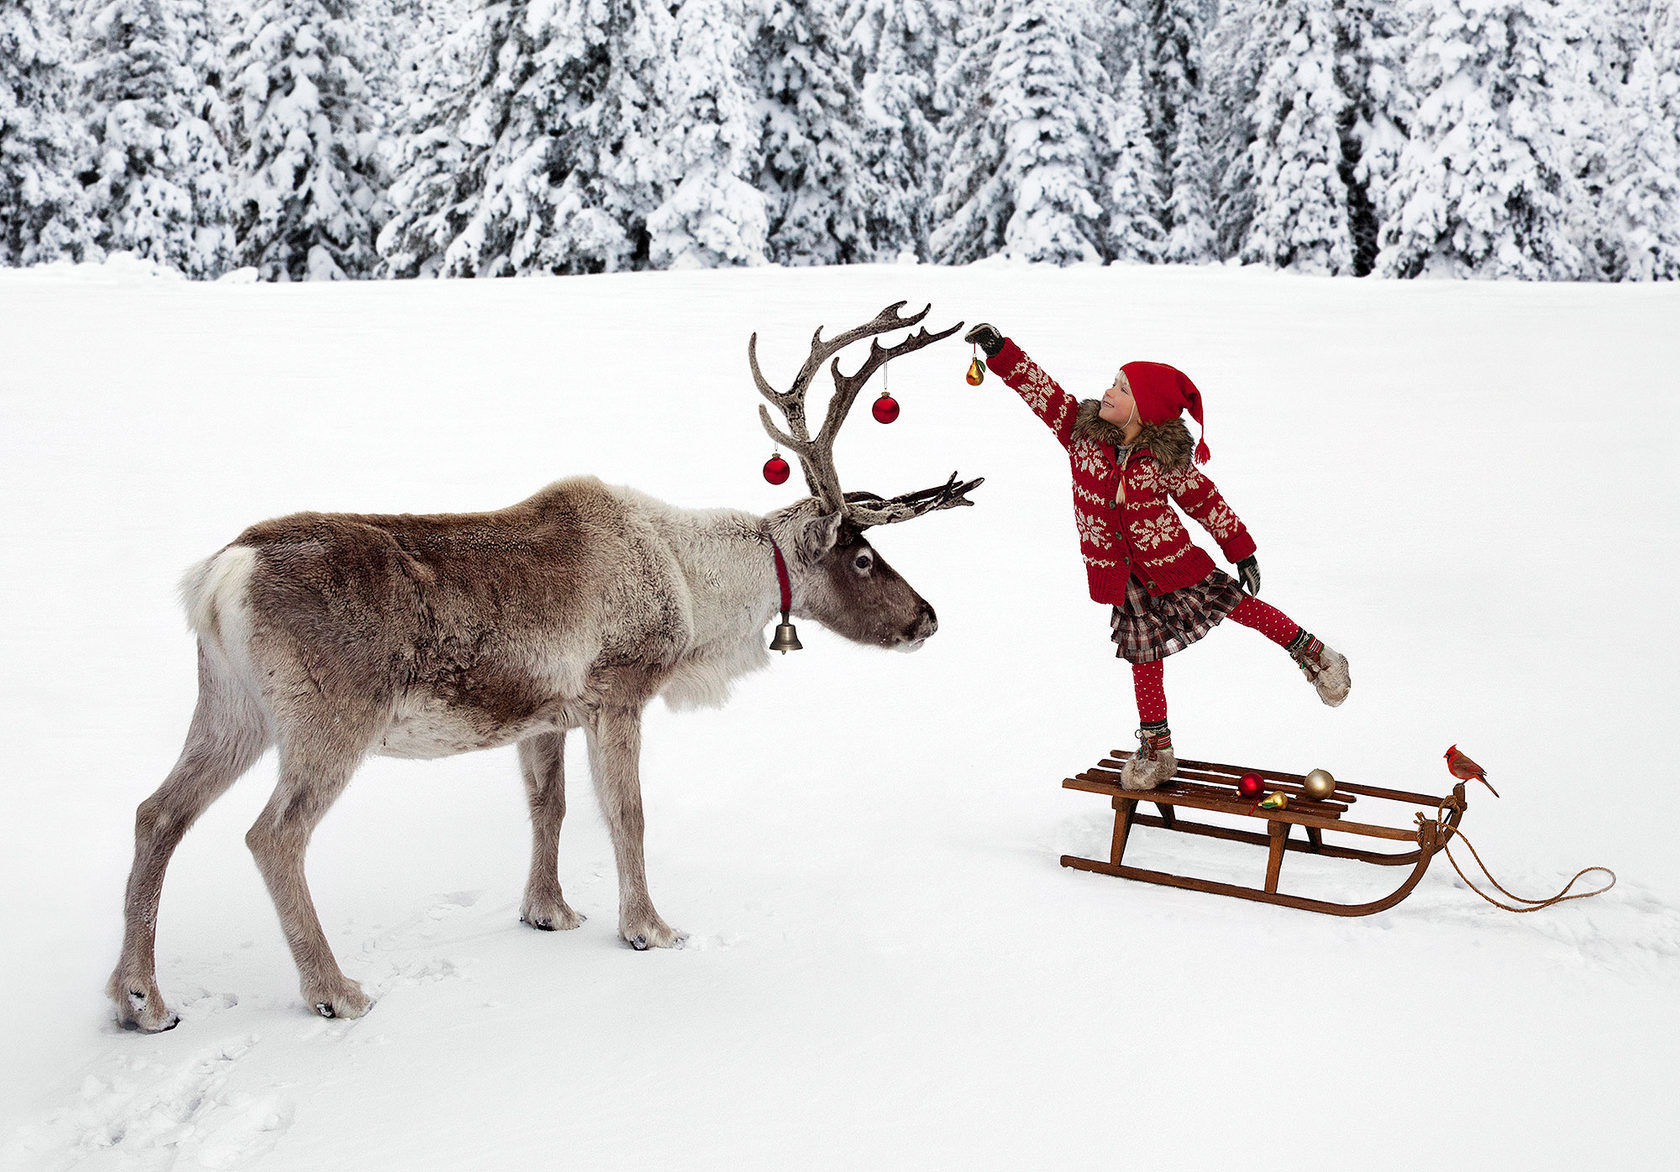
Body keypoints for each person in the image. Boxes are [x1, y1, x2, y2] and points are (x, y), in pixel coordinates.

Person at [964, 323, 1350, 790]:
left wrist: (1240, 549)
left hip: (1175, 564)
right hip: (1121, 577)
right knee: (1143, 658)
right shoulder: (1080, 434)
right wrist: (1000, 351)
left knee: (1239, 607)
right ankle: (1158, 747)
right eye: (1113, 381)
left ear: (1144, 411)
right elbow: (1040, 390)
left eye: (1122, 388)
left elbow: (1204, 500)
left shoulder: (1165, 460)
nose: (1108, 391)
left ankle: (1318, 657)